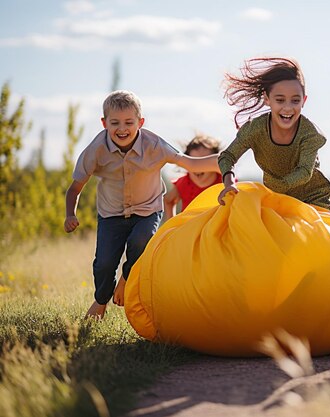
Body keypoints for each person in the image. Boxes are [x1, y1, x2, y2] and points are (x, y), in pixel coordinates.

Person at [64, 90, 221, 319]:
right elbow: (75, 188)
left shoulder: (154, 145)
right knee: (105, 264)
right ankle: (101, 301)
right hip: (111, 215)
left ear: (141, 122)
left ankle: (127, 279)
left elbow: (187, 163)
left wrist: (221, 163)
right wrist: (70, 214)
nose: (122, 128)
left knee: (142, 241)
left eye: (129, 122)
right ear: (104, 123)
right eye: (115, 122)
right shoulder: (96, 150)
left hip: (148, 210)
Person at [217, 57, 330, 210]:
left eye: (295, 101)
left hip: (311, 201)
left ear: (304, 101)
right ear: (267, 99)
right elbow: (228, 156)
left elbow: (305, 172)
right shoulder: (255, 128)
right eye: (280, 100)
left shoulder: (311, 135)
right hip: (275, 200)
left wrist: (268, 191)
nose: (287, 108)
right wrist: (229, 184)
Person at [163, 134, 222, 222]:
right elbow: (168, 201)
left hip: (215, 229)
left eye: (204, 161)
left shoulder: (223, 181)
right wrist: (172, 226)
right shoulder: (184, 183)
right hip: (191, 231)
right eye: (193, 161)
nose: (197, 167)